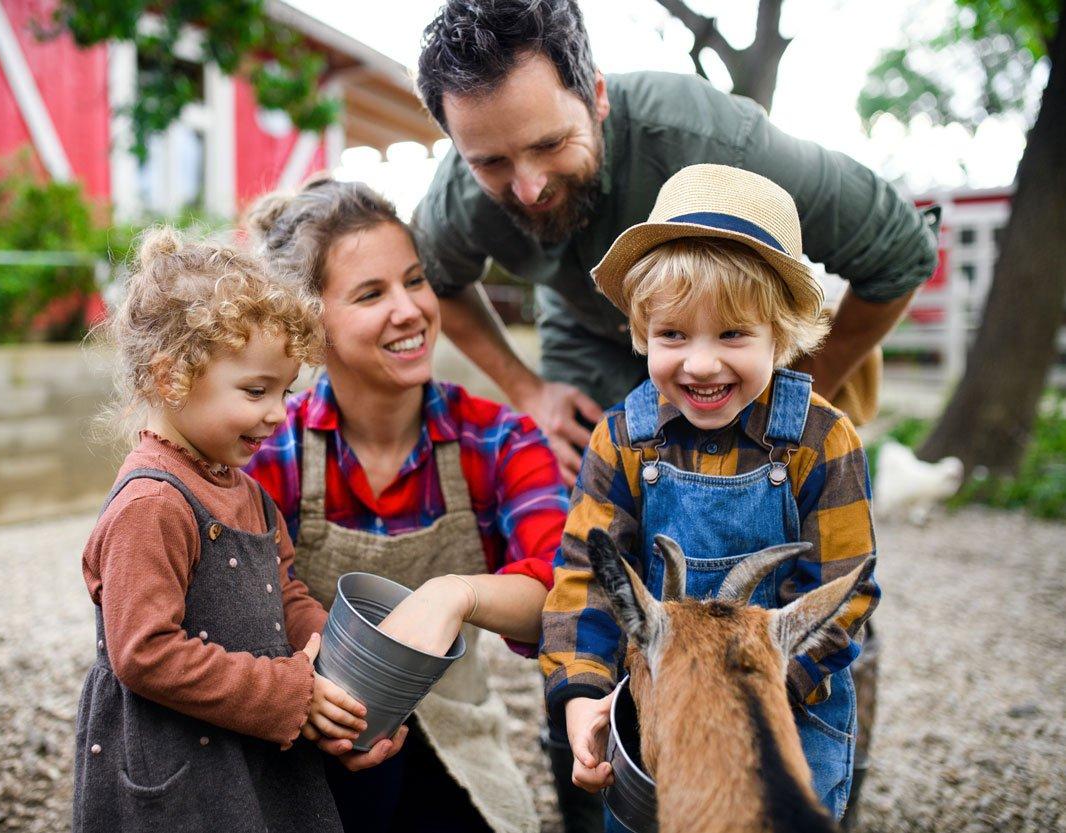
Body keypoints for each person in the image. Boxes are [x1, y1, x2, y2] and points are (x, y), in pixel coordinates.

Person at [412, 0, 938, 487]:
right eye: (491, 163)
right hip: (586, 338)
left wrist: (802, 391)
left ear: (597, 97)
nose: (529, 189)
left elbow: (900, 250)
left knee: (771, 500)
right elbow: (434, 282)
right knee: (598, 497)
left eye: (551, 143)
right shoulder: (455, 199)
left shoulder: (716, 140)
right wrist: (528, 391)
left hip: (738, 329)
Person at [538, 164, 881, 830]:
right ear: (643, 331)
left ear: (781, 335)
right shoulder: (623, 439)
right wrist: (581, 696)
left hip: (783, 707)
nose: (700, 363)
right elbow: (585, 576)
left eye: (731, 334)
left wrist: (755, 685)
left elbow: (847, 590)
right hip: (660, 706)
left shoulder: (823, 440)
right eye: (673, 334)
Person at [243, 178, 569, 833]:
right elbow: (226, 610)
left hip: (458, 737)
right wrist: (304, 698)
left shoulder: (498, 440)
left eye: (415, 281)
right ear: (310, 326)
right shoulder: (271, 452)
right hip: (304, 732)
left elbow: (566, 594)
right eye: (371, 294)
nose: (410, 309)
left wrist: (456, 593)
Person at [73, 227, 392, 833]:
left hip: (251, 745)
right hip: (178, 768)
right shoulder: (153, 504)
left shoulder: (247, 493)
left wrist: (348, 673)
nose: (278, 413)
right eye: (255, 391)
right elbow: (144, 653)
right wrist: (289, 695)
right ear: (171, 377)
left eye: (284, 391)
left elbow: (286, 596)